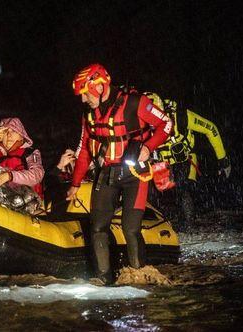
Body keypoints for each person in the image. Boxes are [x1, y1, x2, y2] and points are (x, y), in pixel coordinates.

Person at [66, 64, 172, 284]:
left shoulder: (135, 102)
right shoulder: (88, 113)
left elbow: (166, 124)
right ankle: (103, 279)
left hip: (135, 174)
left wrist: (148, 147)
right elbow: (86, 149)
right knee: (97, 228)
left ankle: (140, 275)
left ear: (100, 86)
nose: (83, 100)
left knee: (130, 228)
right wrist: (75, 184)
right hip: (108, 173)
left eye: (85, 93)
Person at [145, 92, 230, 229]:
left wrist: (222, 160)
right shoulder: (138, 120)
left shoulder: (181, 116)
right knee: (151, 191)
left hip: (185, 159)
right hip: (160, 162)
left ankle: (189, 225)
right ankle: (157, 225)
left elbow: (211, 129)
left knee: (184, 191)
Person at [0, 117, 44, 214]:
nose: (9, 135)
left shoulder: (30, 153)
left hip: (28, 206)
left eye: (14, 131)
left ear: (21, 136)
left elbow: (37, 174)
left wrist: (9, 176)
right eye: (6, 132)